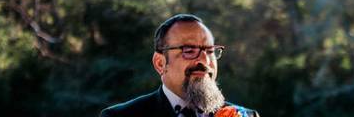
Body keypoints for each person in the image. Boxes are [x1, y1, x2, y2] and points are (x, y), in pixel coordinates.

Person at [101, 14, 259, 117]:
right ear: (160, 63)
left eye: (210, 51)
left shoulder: (246, 116)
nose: (204, 61)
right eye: (189, 51)